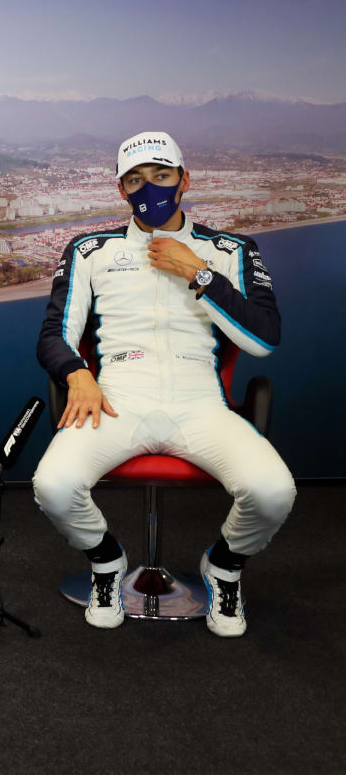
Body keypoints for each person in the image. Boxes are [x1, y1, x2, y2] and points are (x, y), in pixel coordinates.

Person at [33, 131, 295, 637]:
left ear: (184, 179)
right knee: (53, 485)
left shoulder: (231, 249)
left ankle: (224, 566)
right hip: (116, 399)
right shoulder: (90, 250)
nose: (148, 187)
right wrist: (77, 374)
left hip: (200, 403)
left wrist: (199, 274)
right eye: (135, 179)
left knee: (273, 492)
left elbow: (264, 340)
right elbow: (54, 335)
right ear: (120, 189)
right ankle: (107, 563)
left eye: (160, 175)